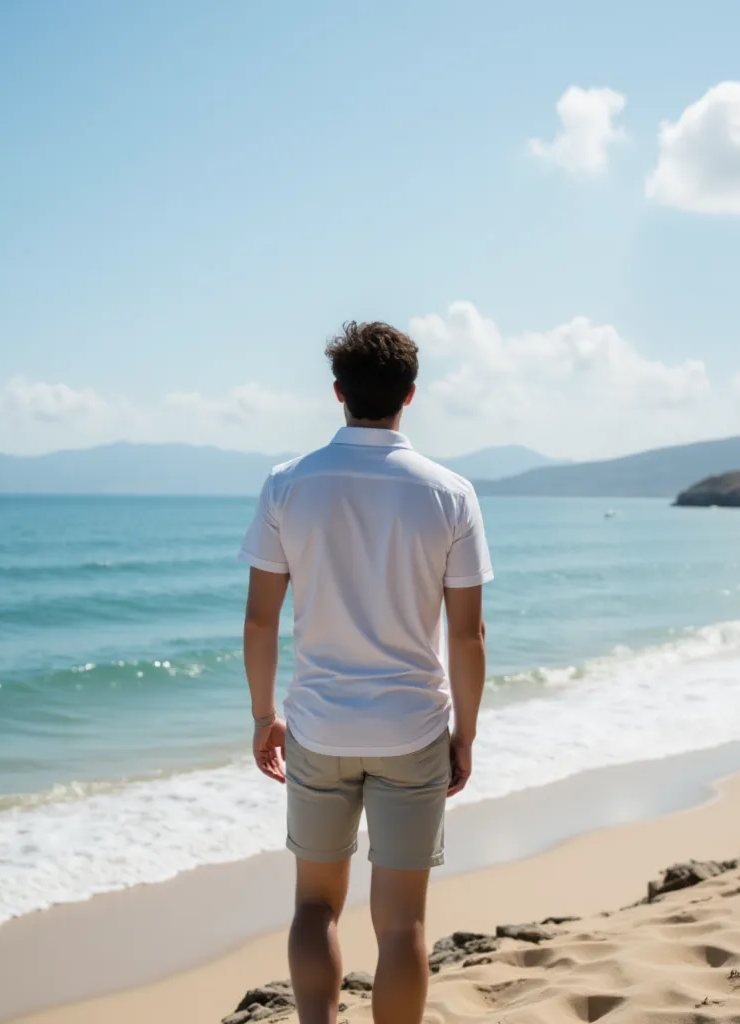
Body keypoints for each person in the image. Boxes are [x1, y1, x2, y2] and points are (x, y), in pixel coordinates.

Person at [238, 320, 492, 1024]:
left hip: (319, 726)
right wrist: (464, 734)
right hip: (412, 731)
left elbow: (260, 621)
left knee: (315, 904)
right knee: (402, 924)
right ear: (411, 394)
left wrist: (265, 717)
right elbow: (467, 635)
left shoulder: (287, 484)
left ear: (337, 393)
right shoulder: (450, 493)